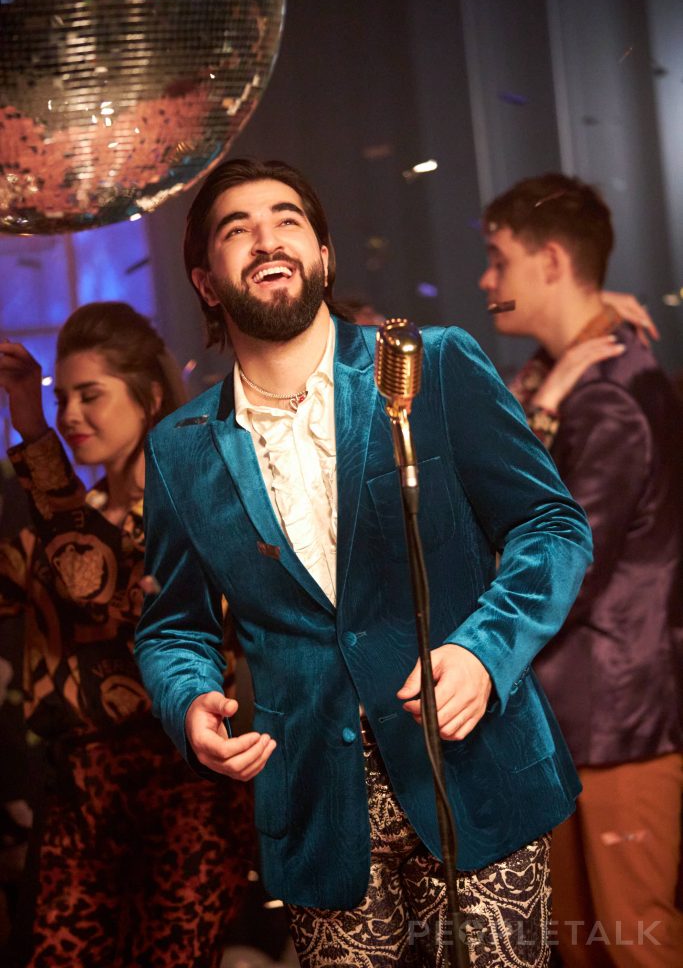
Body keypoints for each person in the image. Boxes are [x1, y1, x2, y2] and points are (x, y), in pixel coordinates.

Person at [134, 157, 593, 968]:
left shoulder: (430, 363)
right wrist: (188, 699)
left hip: (470, 774)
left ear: (323, 255)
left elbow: (551, 526)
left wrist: (484, 653)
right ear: (206, 282)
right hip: (319, 808)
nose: (266, 239)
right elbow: (173, 626)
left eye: (287, 220)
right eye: (237, 229)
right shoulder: (179, 449)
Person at [0, 302, 254, 968]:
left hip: (180, 792)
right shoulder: (65, 520)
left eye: (90, 395)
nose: (70, 414)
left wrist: (31, 427)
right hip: (78, 793)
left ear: (148, 397)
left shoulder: (191, 508)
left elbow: (93, 578)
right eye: (61, 398)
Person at [480, 172, 683, 966]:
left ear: (551, 262)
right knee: (586, 944)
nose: (486, 280)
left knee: (630, 944)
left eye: (498, 259)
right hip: (582, 717)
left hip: (613, 721)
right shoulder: (573, 375)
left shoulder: (605, 398)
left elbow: (559, 572)